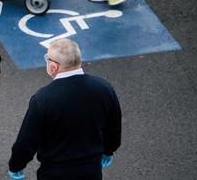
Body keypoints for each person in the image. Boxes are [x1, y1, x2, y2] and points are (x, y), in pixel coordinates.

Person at [7, 38, 121, 180]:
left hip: (54, 172)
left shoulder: (43, 99)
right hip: (91, 170)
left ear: (54, 67)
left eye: (47, 58)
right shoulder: (104, 88)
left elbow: (27, 140)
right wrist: (109, 150)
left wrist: (16, 166)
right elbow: (113, 126)